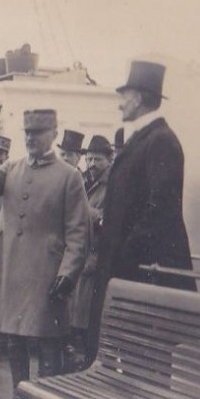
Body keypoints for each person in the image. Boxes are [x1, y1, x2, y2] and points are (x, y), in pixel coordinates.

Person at [0, 109, 89, 399]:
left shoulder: (69, 177)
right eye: (27, 133)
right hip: (11, 270)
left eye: (38, 133)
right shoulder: (13, 168)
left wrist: (68, 273)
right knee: (13, 340)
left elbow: (79, 233)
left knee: (48, 344)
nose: (31, 138)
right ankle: (20, 398)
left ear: (54, 135)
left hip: (45, 274)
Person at [88, 61, 195, 361]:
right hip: (129, 272)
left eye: (125, 94)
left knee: (147, 362)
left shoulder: (161, 141)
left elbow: (161, 210)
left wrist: (123, 252)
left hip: (144, 274)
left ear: (139, 98)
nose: (120, 102)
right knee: (129, 357)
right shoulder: (142, 139)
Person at [69, 134, 113, 367]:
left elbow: (109, 218)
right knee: (77, 308)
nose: (92, 164)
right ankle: (79, 352)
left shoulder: (112, 184)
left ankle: (88, 357)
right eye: (90, 159)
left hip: (96, 254)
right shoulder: (86, 180)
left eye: (98, 159)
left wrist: (85, 210)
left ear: (109, 159)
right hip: (82, 252)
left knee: (88, 312)